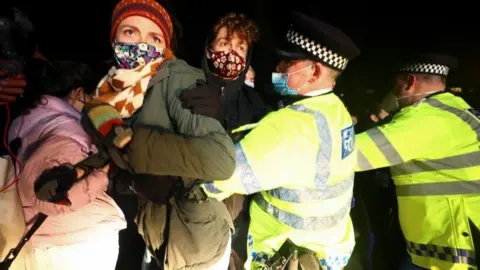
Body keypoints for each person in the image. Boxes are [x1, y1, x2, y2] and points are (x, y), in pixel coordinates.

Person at [199, 11, 360, 270]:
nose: (278, 68)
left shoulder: (287, 126)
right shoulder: (335, 109)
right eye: (223, 43)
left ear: (314, 71)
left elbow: (214, 180)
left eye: (288, 63)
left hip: (282, 254)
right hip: (327, 252)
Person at [81, 0, 235, 269]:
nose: (142, 44)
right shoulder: (108, 96)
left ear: (166, 45)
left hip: (197, 240)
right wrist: (74, 173)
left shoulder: (176, 78)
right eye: (130, 32)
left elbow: (222, 160)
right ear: (114, 37)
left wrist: (137, 147)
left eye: (154, 37)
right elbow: (113, 153)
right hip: (155, 231)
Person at [355, 53, 480, 270]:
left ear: (409, 82)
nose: (392, 92)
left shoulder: (425, 119)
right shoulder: (457, 109)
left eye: (395, 85)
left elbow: (348, 156)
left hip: (453, 250)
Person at [6, 60, 126, 270]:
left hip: (56, 242)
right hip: (70, 246)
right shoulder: (69, 133)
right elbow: (47, 198)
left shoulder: (39, 120)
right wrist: (101, 176)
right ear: (79, 93)